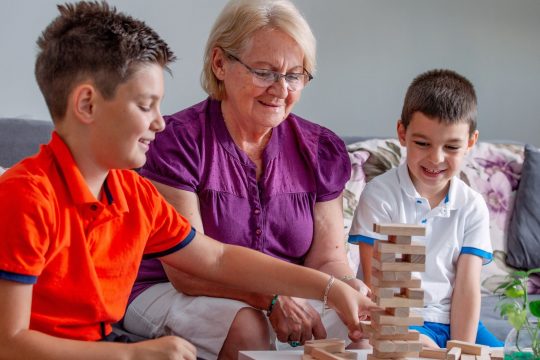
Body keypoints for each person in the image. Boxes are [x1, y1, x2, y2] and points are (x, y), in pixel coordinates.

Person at [0, 2, 377, 360]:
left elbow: (216, 258)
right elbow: (8, 343)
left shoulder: (134, 194)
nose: (160, 122)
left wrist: (329, 288)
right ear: (87, 105)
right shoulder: (24, 198)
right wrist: (131, 354)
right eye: (146, 106)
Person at [123, 0, 368, 358]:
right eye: (265, 72)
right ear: (220, 63)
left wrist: (350, 289)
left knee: (359, 331)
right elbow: (186, 271)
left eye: (294, 75)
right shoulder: (177, 141)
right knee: (248, 325)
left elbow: (327, 261)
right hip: (168, 287)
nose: (281, 89)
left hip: (284, 292)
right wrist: (269, 298)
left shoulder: (319, 149)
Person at [348, 69, 504, 348]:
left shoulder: (472, 205)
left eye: (452, 147)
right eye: (422, 143)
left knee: (508, 355)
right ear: (402, 133)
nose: (436, 158)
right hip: (402, 318)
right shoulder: (380, 195)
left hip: (455, 317)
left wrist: (461, 350)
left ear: (470, 142)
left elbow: (467, 289)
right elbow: (379, 287)